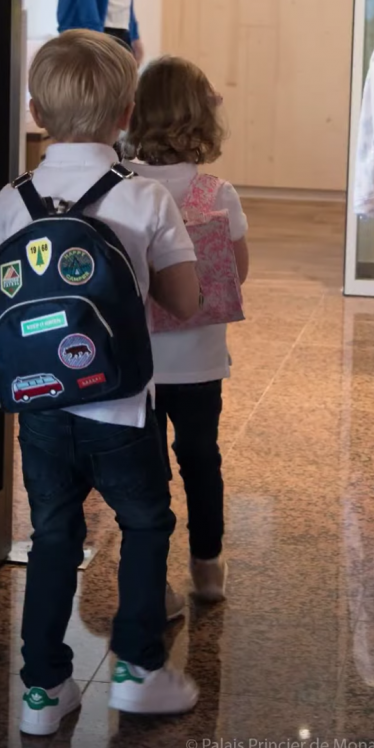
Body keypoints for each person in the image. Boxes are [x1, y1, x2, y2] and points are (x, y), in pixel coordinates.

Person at [0, 32, 200, 736]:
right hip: (119, 404)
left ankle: (44, 691)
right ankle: (139, 672)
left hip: (40, 405)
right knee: (144, 523)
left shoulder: (12, 199)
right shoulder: (141, 198)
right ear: (126, 114)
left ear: (35, 109)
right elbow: (186, 300)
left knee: (53, 535)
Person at [125, 56, 250, 603]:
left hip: (134, 364)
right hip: (198, 363)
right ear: (202, 118)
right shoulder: (217, 193)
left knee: (144, 471)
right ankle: (207, 565)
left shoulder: (121, 187)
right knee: (202, 459)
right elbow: (237, 273)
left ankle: (151, 574)